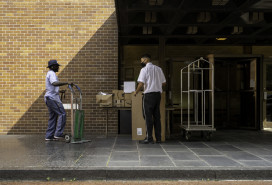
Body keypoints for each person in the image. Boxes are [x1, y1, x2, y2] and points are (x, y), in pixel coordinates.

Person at [134, 54, 166, 144]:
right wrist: (155, 83)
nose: (141, 62)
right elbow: (164, 83)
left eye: (141, 60)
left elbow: (141, 83)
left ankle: (149, 138)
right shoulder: (159, 69)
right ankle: (158, 138)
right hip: (157, 95)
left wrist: (136, 92)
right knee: (156, 117)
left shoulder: (144, 69)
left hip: (148, 95)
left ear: (145, 60)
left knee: (148, 117)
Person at [44, 60, 72, 141]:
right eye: (57, 66)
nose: (58, 67)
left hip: (49, 97)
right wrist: (67, 83)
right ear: (52, 66)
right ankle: (58, 134)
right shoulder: (51, 73)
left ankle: (49, 136)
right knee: (62, 114)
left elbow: (51, 87)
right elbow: (54, 83)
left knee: (53, 117)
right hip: (52, 98)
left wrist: (59, 91)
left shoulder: (50, 74)